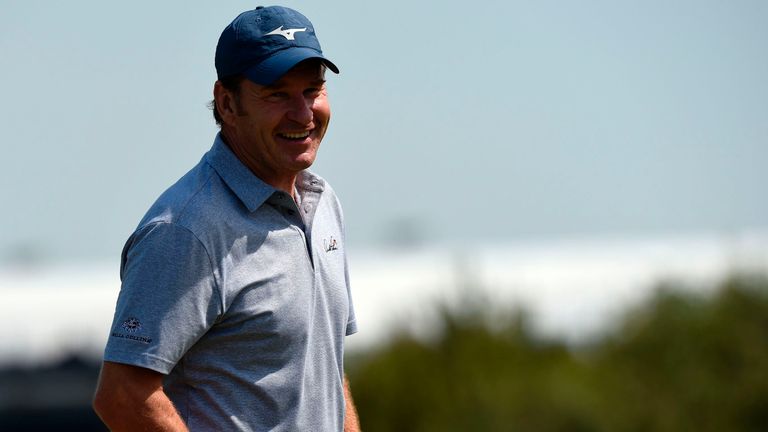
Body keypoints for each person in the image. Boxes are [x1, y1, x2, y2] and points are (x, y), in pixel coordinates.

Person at [92, 6, 360, 431]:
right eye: (277, 94)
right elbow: (123, 395)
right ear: (227, 102)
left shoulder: (323, 203)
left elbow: (326, 368)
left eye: (313, 90)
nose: (303, 113)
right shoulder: (185, 230)